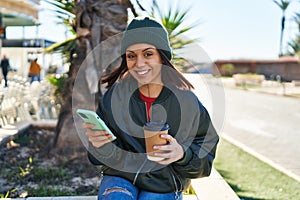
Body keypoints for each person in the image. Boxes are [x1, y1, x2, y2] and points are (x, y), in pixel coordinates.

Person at [82, 17, 219, 200]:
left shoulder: (186, 102)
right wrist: (98, 145)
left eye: (148, 54)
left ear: (162, 56)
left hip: (164, 182)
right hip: (120, 177)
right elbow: (99, 157)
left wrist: (182, 155)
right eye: (131, 56)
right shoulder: (115, 96)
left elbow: (205, 157)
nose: (139, 63)